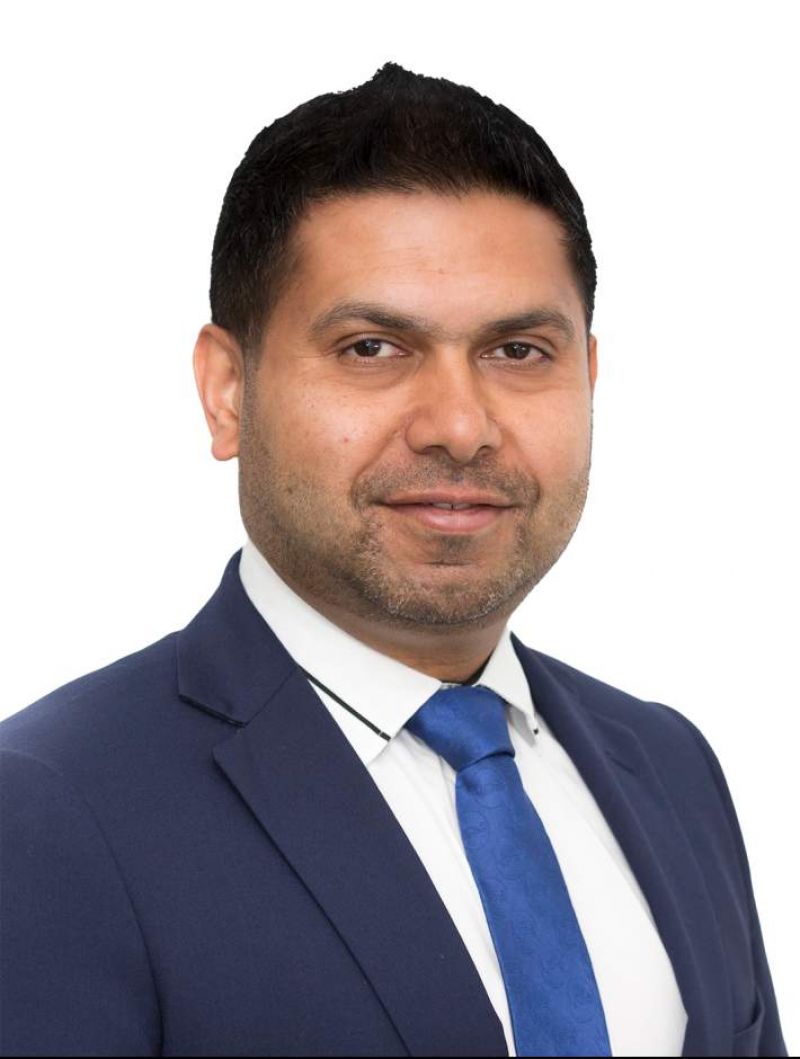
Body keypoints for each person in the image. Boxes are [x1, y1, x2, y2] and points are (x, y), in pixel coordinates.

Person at [0, 61, 786, 1058]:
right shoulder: (49, 810)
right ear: (227, 390)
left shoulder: (670, 768)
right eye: (372, 347)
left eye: (517, 351)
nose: (459, 425)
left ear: (588, 378)